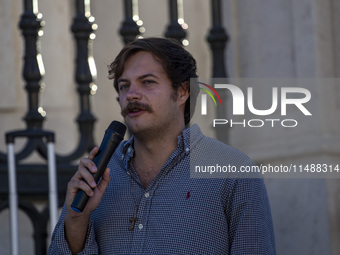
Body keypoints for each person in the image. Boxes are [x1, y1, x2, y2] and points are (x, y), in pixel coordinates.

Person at [48, 37, 276, 254]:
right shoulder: (99, 173)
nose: (132, 95)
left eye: (147, 82)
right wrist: (77, 221)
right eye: (124, 86)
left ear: (183, 92)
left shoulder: (234, 173)